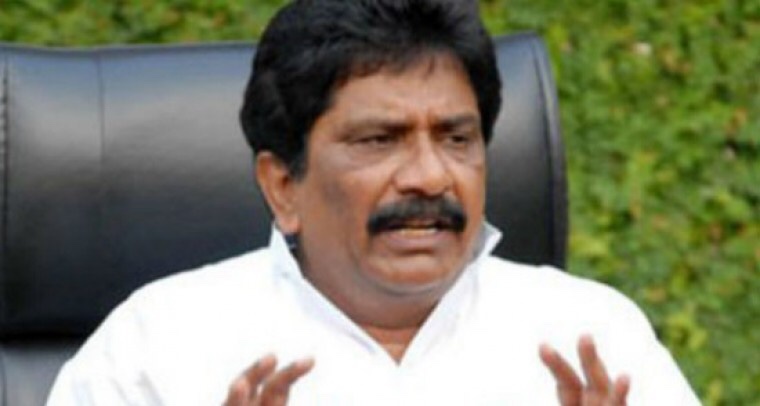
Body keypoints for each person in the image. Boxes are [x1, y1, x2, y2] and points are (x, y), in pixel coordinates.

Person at [46, 0, 700, 405]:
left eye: (456, 138)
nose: (430, 177)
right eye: (379, 141)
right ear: (283, 186)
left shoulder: (593, 338)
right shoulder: (157, 346)